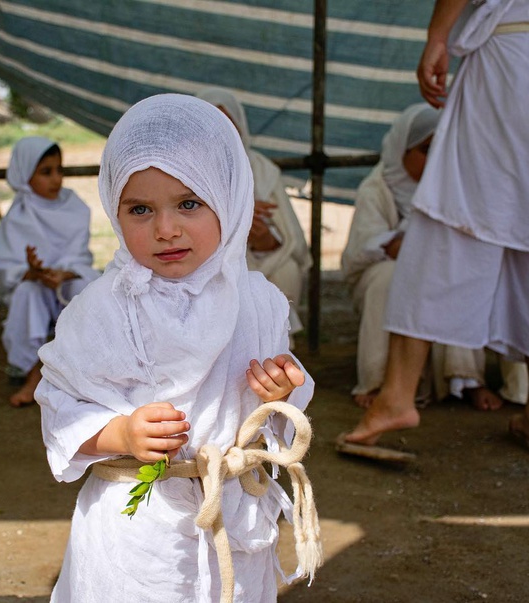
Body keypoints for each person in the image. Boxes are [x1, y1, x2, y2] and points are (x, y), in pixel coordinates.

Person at [35, 94, 321, 601]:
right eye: (140, 209)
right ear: (114, 209)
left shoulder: (258, 302)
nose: (166, 230)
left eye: (189, 203)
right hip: (138, 533)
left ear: (229, 200)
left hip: (232, 515)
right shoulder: (100, 311)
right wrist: (119, 432)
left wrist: (278, 389)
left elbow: (279, 405)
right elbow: (60, 410)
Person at [344, 0, 529, 449]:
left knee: (449, 219)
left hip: (511, 63)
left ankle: (397, 397)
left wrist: (438, 36)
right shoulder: (380, 187)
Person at [341, 103, 527, 411]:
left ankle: (466, 378)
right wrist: (408, 248)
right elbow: (362, 249)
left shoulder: (455, 188)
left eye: (441, 149)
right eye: (426, 149)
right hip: (380, 275)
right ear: (402, 148)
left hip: (438, 271)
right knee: (392, 277)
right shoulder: (376, 189)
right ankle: (378, 382)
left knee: (459, 278)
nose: (434, 159)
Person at [196, 87, 312, 338]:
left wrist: (265, 243)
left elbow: (295, 243)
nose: (221, 136)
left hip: (257, 263)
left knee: (286, 270)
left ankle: (276, 353)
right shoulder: (182, 170)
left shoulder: (262, 171)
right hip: (199, 262)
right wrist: (238, 212)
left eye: (228, 127)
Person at [0, 137, 99, 408]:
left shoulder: (75, 206)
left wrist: (64, 274)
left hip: (67, 279)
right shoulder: (18, 216)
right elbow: (10, 269)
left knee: (87, 290)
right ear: (24, 175)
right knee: (28, 293)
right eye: (46, 172)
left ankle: (86, 374)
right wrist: (32, 272)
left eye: (59, 170)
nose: (56, 179)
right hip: (36, 283)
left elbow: (79, 256)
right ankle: (34, 372)